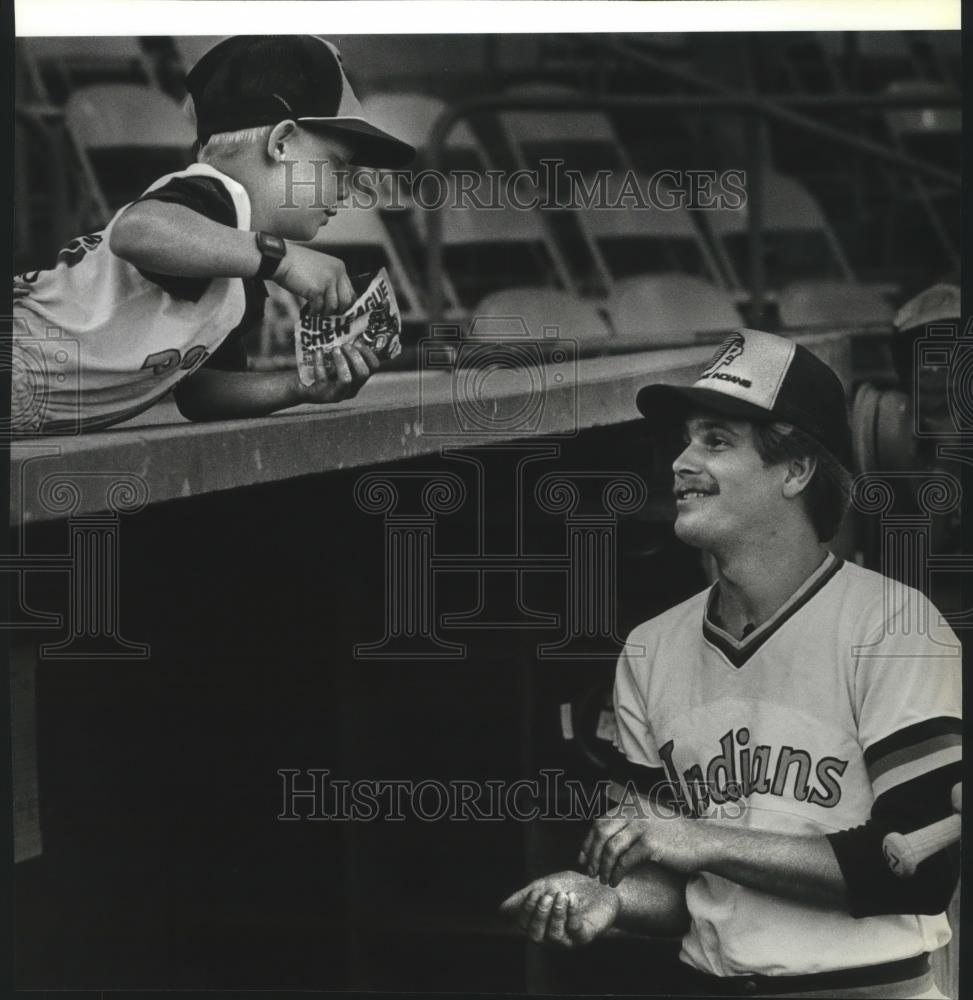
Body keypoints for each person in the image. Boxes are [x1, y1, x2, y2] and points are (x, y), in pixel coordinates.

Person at [501, 329, 961, 999]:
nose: (681, 463)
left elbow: (914, 870)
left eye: (715, 441)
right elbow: (669, 874)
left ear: (795, 470)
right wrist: (611, 900)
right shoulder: (650, 647)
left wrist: (701, 841)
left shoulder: (893, 626)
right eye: (686, 440)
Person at [11, 35, 415, 433]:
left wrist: (303, 386)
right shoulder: (216, 194)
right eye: (337, 166)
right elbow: (137, 231)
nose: (346, 190)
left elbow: (200, 394)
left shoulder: (241, 266)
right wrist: (284, 259)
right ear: (282, 144)